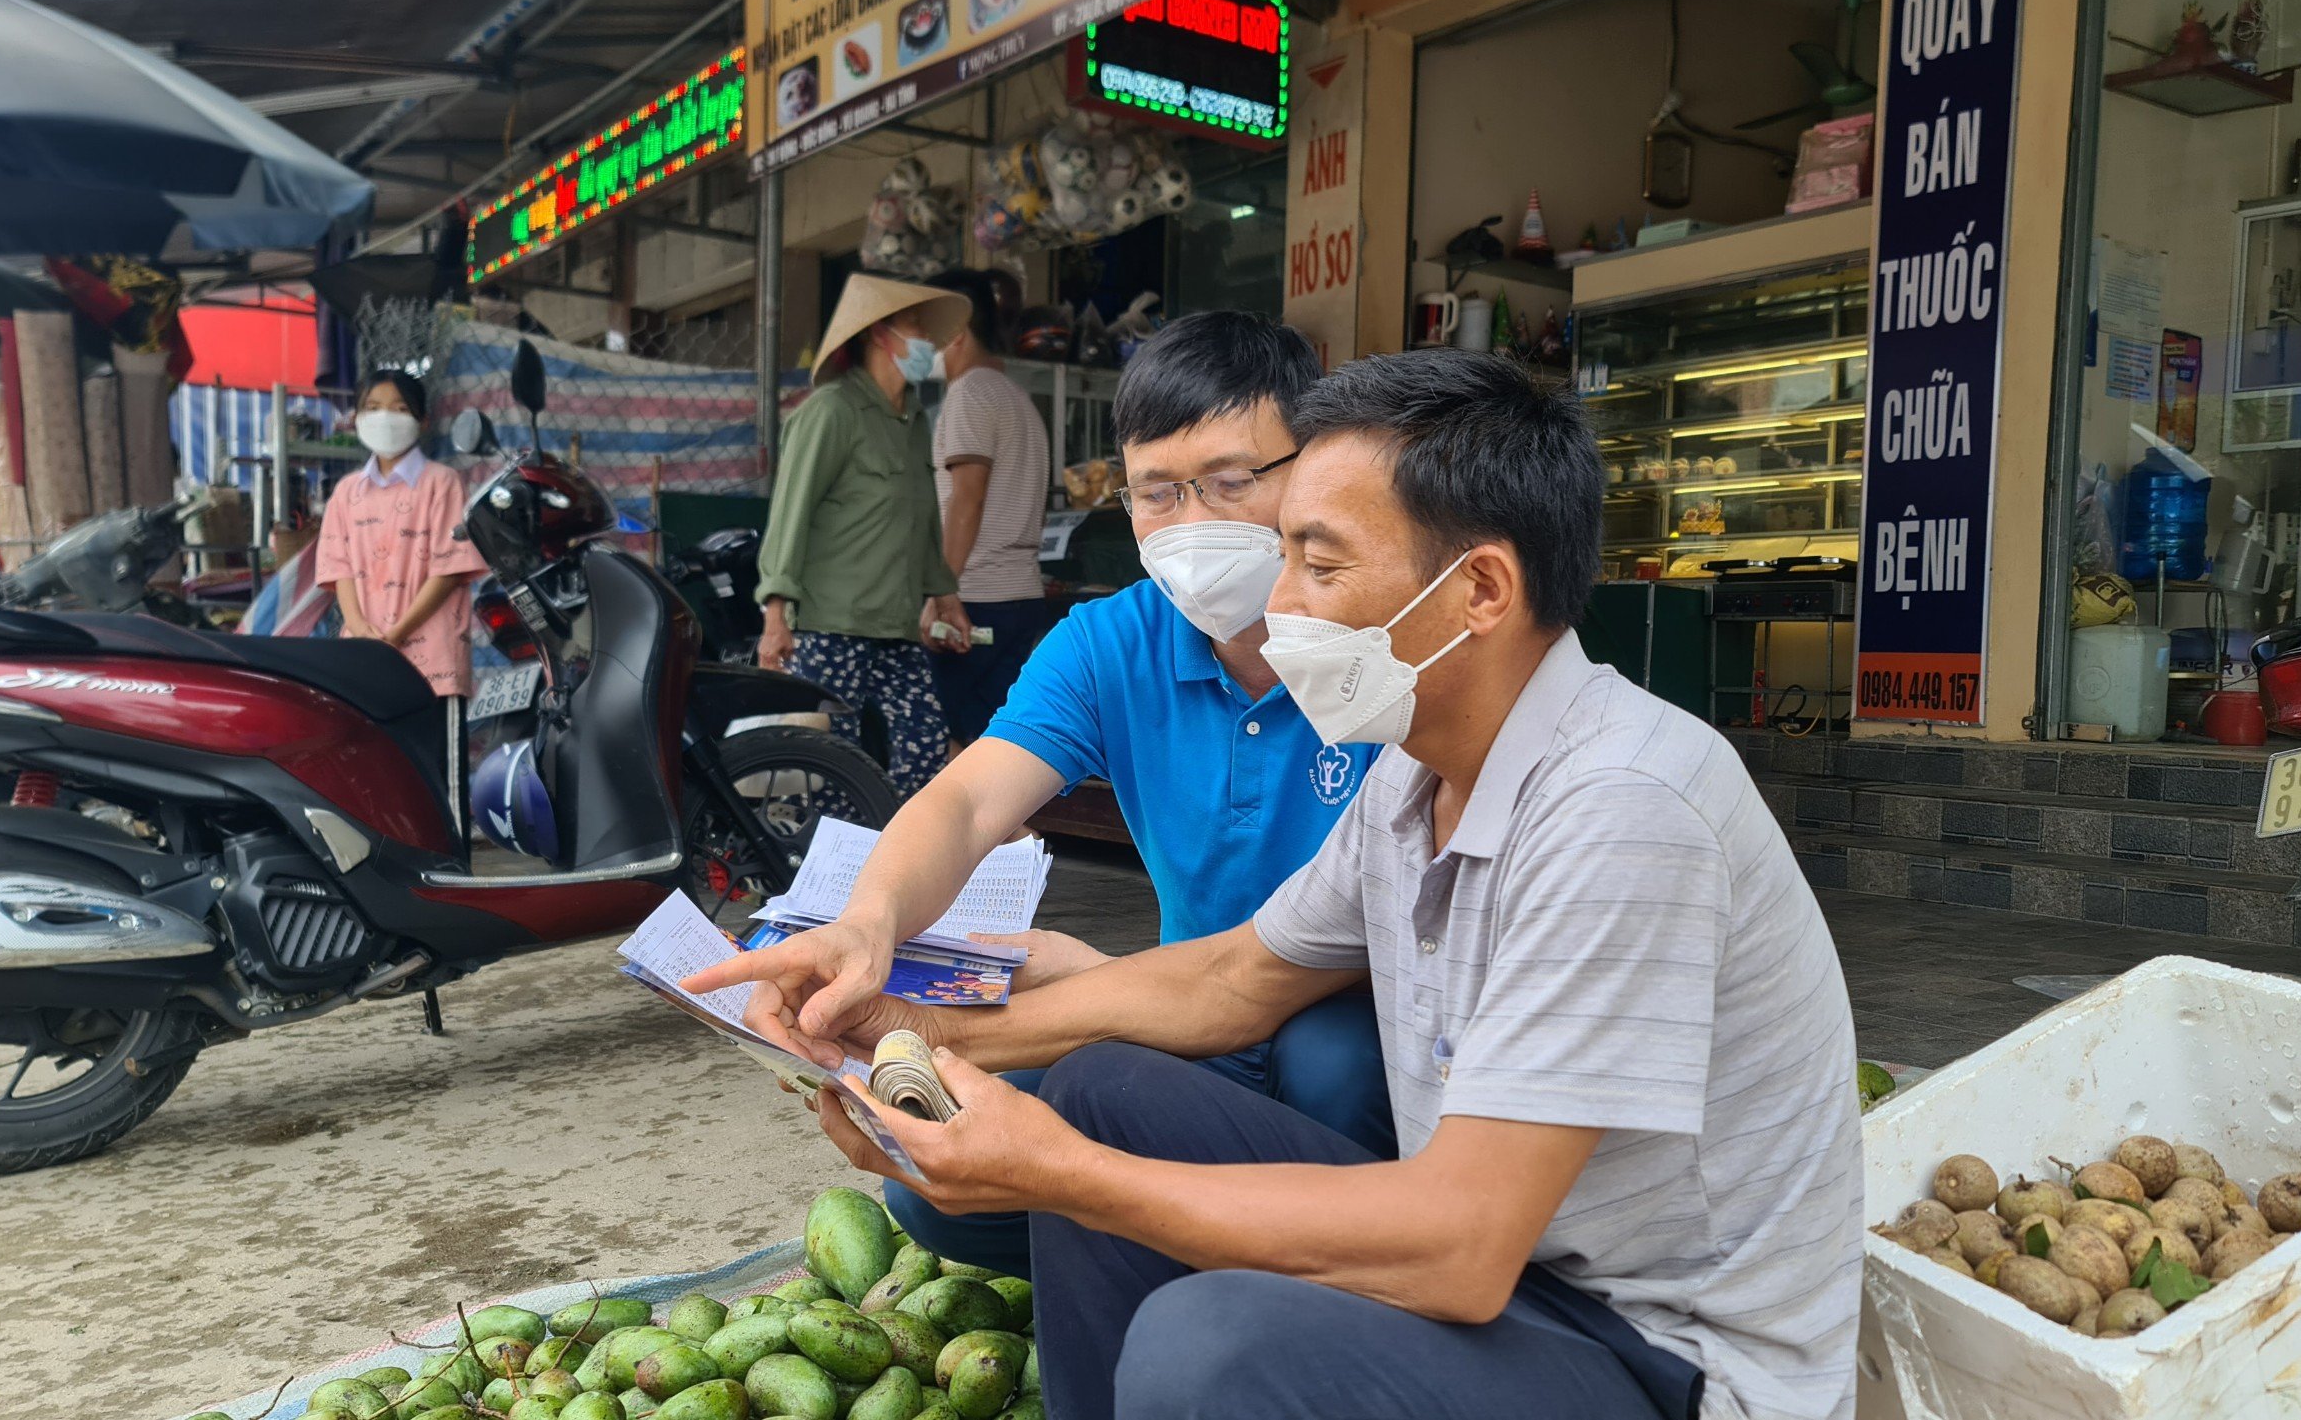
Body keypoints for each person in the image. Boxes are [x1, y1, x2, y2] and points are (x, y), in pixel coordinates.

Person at [765, 349, 1863, 1420]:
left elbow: (1462, 1245)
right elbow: (1233, 979)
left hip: (1656, 1350)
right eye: (1281, 553)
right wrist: (900, 1026)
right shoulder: (1415, 771)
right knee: (1106, 1086)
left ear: (1479, 587)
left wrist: (1061, 1171)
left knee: (1205, 1345)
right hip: (1529, 1267)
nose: (1276, 599)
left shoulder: (1623, 804)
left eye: (1318, 564)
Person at [690, 312, 1394, 1278]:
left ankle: (1335, 1275)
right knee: (938, 1191)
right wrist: (872, 920)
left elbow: (1275, 978)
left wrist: (972, 1013)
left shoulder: (1387, 641)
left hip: (1352, 1017)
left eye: (1232, 481)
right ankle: (1223, 1243)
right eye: (1156, 491)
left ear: (1311, 468)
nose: (1192, 523)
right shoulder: (1110, 642)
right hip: (1186, 1005)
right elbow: (969, 803)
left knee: (1333, 1058)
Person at [755, 274, 976, 797]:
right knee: (833, 765)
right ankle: (829, 872)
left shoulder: (914, 419)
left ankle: (893, 856)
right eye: (914, 327)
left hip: (895, 625)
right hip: (832, 623)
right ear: (880, 334)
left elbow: (922, 519)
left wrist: (945, 596)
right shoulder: (831, 411)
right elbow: (791, 511)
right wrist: (775, 615)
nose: (926, 341)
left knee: (925, 745)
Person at [922, 268, 1053, 744]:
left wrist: (941, 592)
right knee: (995, 740)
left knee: (953, 743)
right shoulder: (1017, 398)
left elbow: (967, 500)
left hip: (974, 598)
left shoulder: (970, 395)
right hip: (1019, 595)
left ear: (954, 332)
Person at [316, 370, 489, 698]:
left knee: (430, 747)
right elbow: (340, 571)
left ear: (422, 422)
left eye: (399, 409)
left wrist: (395, 634)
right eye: (373, 407)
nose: (385, 417)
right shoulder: (346, 492)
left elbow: (448, 571)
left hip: (434, 664)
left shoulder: (442, 483)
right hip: (361, 657)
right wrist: (360, 630)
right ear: (357, 418)